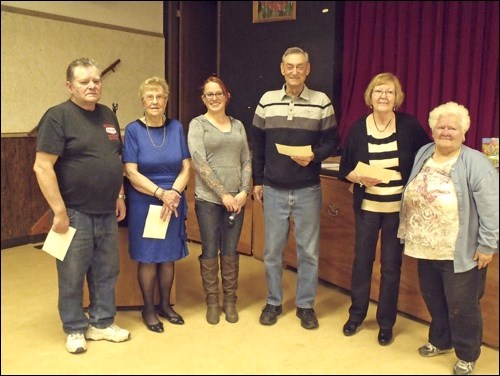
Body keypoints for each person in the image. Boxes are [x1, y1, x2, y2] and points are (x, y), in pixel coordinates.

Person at [33, 58, 131, 354]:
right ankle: (75, 328)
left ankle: (101, 323)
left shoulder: (106, 115)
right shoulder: (57, 117)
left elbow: (114, 160)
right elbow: (42, 167)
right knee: (72, 273)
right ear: (69, 86)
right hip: (74, 212)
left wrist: (119, 195)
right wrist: (59, 212)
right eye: (84, 81)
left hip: (106, 210)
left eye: (96, 81)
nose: (92, 86)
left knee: (106, 270)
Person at [398, 101, 499, 375]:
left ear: (463, 132)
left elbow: (492, 206)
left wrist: (488, 245)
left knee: (462, 307)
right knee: (434, 298)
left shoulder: (476, 162)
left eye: (452, 127)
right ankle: (441, 341)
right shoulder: (424, 152)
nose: (446, 131)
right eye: (441, 126)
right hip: (424, 245)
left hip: (459, 251)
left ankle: (467, 354)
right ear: (432, 130)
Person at [338, 72, 430, 345]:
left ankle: (386, 323)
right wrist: (357, 177)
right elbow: (345, 169)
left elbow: (427, 154)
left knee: (391, 266)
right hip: (367, 207)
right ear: (370, 96)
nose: (383, 96)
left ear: (396, 98)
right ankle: (356, 315)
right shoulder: (357, 128)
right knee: (362, 261)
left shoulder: (409, 126)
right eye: (378, 91)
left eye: (389, 92)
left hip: (396, 211)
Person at [251, 47, 338, 330]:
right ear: (282, 68)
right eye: (290, 66)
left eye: (300, 66)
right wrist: (258, 181)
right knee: (272, 252)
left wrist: (313, 155)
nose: (295, 71)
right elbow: (259, 146)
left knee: (308, 252)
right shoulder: (267, 101)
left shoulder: (322, 102)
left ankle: (305, 305)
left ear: (308, 69)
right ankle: (274, 301)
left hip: (307, 189)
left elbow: (330, 144)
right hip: (274, 188)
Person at [123, 77, 191, 333]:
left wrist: (173, 193)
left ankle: (165, 305)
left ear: (166, 101)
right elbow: (131, 171)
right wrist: (161, 193)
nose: (154, 101)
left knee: (167, 257)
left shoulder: (176, 128)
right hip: (146, 199)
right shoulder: (133, 130)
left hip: (173, 200)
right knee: (149, 258)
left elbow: (186, 166)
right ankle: (149, 308)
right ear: (142, 101)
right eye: (149, 97)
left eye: (159, 96)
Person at [187, 76, 252, 325]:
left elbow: (246, 160)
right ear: (203, 99)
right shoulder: (198, 125)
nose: (214, 98)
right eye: (209, 95)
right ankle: (212, 302)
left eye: (218, 93)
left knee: (230, 251)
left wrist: (243, 191)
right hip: (209, 201)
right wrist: (223, 194)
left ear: (227, 96)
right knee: (209, 250)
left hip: (237, 200)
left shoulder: (238, 126)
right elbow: (200, 163)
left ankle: (230, 301)